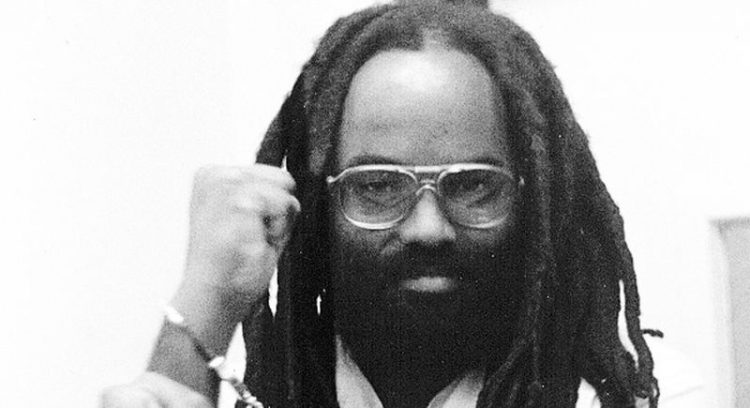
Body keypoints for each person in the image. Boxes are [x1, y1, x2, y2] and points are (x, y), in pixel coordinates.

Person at [101, 3, 692, 407]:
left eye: (473, 184)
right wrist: (205, 303)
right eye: (378, 185)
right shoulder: (256, 387)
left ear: (532, 201)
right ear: (317, 204)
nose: (427, 228)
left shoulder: (638, 395)